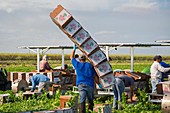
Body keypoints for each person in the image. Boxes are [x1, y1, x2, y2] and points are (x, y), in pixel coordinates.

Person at [70, 44, 102, 113]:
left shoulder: (77, 65)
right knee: (90, 100)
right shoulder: (90, 65)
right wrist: (99, 84)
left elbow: (71, 57)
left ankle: (82, 111)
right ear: (85, 58)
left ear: (79, 59)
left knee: (82, 99)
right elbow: (94, 76)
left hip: (81, 84)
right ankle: (90, 111)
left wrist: (74, 49)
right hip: (89, 84)